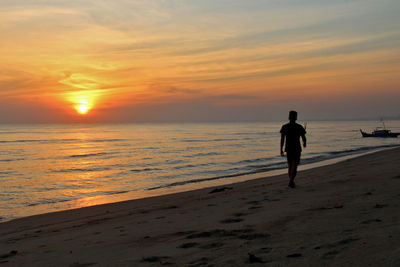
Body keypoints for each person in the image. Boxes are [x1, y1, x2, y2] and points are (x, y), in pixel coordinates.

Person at [280, 111, 306, 188]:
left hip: (288, 148)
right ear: (296, 117)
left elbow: (282, 139)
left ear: (289, 117)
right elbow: (304, 138)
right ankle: (291, 181)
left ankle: (291, 181)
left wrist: (281, 149)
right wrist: (304, 143)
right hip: (297, 148)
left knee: (290, 165)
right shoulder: (299, 127)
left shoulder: (285, 127)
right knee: (294, 165)